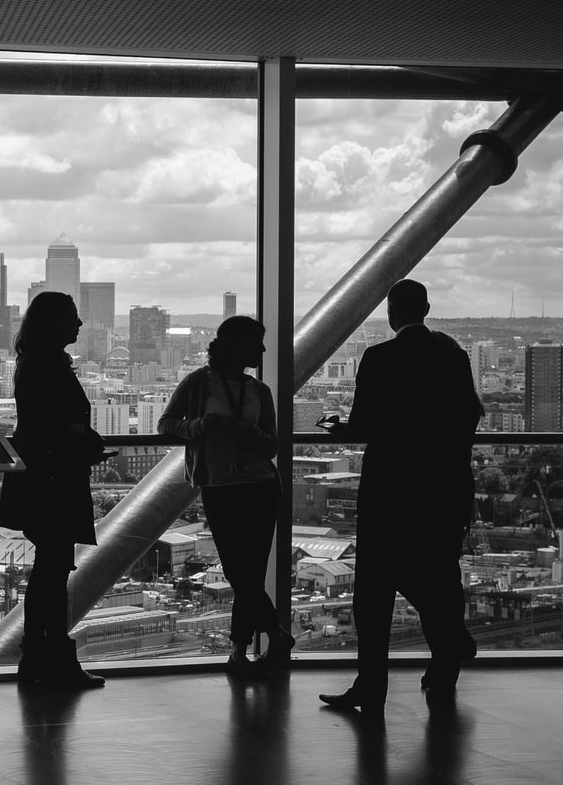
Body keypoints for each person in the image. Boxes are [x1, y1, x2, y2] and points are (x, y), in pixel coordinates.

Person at [320, 279, 485, 713]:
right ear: (426, 308)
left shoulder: (379, 357)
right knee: (438, 571)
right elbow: (469, 416)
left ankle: (372, 687)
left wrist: (340, 430)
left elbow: (364, 425)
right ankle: (446, 659)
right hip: (443, 486)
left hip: (390, 488)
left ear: (392, 313)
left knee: (374, 591)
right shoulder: (454, 357)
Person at [158, 316, 290, 674]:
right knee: (240, 572)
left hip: (255, 486)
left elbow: (270, 445)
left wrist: (235, 429)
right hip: (227, 486)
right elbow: (166, 423)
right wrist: (199, 426)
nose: (263, 350)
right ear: (236, 346)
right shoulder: (199, 383)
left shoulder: (258, 391)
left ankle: (239, 651)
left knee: (247, 573)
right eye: (257, 343)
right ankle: (273, 635)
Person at [0, 291, 110, 688]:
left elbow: (41, 425)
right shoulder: (48, 366)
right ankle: (54, 661)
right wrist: (83, 442)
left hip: (42, 477)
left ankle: (39, 659)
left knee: (49, 571)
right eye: (73, 318)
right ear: (54, 323)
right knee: (53, 571)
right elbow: (53, 426)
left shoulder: (34, 363)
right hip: (54, 479)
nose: (79, 325)